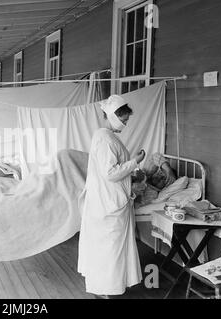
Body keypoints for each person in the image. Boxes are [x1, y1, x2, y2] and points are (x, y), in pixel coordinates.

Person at [77, 94, 146, 297]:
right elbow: (110, 173)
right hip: (108, 203)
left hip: (106, 200)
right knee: (109, 249)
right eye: (123, 120)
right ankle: (106, 288)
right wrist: (135, 161)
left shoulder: (106, 137)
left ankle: (107, 286)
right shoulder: (105, 138)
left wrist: (132, 175)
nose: (125, 125)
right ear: (113, 116)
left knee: (107, 248)